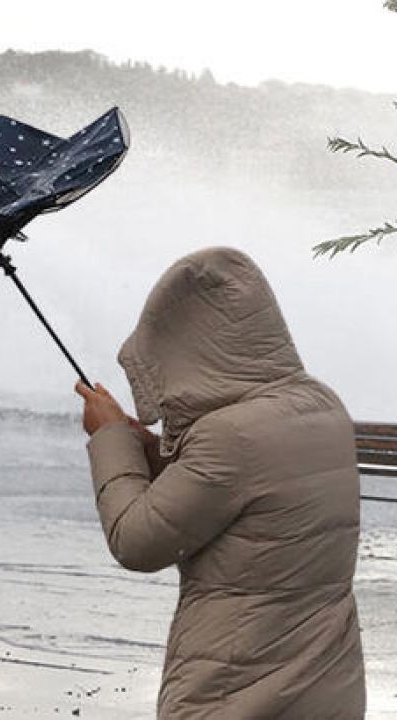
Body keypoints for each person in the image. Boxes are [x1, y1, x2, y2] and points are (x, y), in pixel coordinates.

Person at [75, 246, 365, 718]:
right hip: (325, 682)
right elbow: (243, 500)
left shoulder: (230, 435)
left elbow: (137, 542)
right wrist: (146, 446)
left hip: (236, 686)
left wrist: (109, 438)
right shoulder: (321, 404)